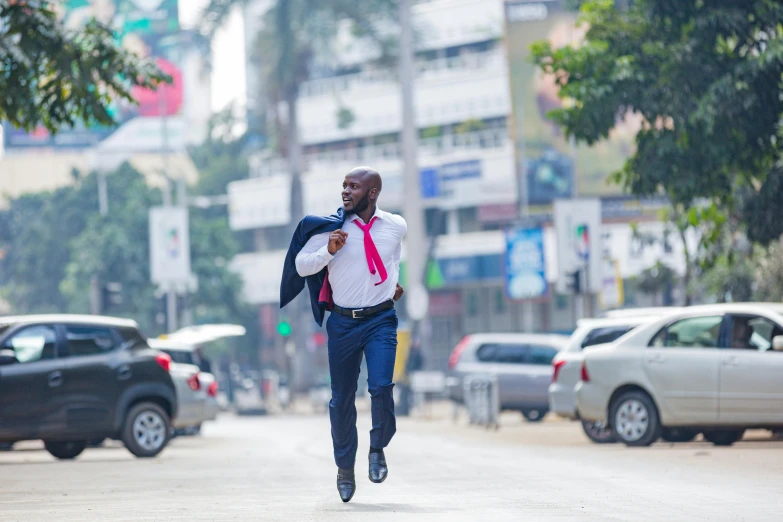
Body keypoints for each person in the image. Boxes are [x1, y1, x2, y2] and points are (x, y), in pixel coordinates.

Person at [280, 166, 406, 503]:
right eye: (344, 186)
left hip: (381, 320)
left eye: (354, 186)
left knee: (381, 387)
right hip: (343, 324)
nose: (346, 192)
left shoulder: (396, 225)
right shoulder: (331, 229)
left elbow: (393, 254)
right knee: (342, 400)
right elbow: (301, 265)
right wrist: (328, 252)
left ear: (373, 193)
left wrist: (390, 281)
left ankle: (377, 447)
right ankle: (345, 468)